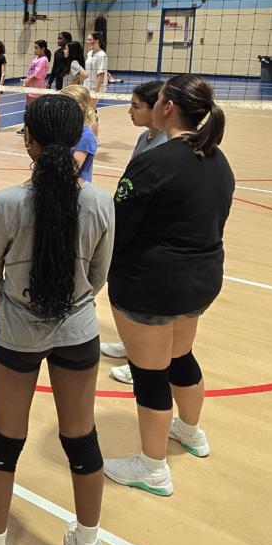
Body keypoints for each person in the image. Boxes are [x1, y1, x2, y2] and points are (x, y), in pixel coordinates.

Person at [0, 95, 114, 545]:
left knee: (3, 440)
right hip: (78, 331)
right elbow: (98, 276)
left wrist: (16, 306)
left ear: (29, 140)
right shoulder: (99, 201)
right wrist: (70, 304)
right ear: (75, 139)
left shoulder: (7, 204)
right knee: (81, 438)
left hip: (16, 334)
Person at [104, 75, 234, 497]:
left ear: (168, 107)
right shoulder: (218, 159)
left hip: (152, 284)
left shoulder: (155, 162)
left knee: (149, 374)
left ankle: (152, 468)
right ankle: (191, 432)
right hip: (202, 280)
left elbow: (119, 230)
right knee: (180, 357)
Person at [102, 80, 167, 378]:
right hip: (132, 225)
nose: (129, 110)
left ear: (157, 108)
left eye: (135, 106)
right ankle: (131, 346)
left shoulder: (166, 146)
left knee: (146, 303)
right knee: (126, 295)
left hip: (150, 231)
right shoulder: (145, 137)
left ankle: (140, 364)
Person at [61, 85, 98, 182]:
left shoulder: (85, 136)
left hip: (75, 188)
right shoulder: (64, 130)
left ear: (78, 108)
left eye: (63, 105)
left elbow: (71, 170)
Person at [84, 32, 108, 111]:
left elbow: (101, 75)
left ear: (97, 41)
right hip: (87, 86)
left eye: (89, 40)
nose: (87, 42)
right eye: (87, 39)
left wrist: (96, 92)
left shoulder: (102, 55)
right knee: (91, 110)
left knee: (88, 109)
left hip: (96, 88)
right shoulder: (89, 53)